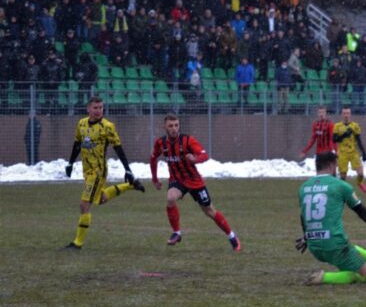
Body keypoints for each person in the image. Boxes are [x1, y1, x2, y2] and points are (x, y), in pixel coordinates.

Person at [296, 151, 366, 285]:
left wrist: (306, 237)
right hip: (335, 245)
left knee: (346, 249)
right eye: (336, 166)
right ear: (331, 165)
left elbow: (303, 217)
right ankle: (324, 277)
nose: (337, 169)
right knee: (363, 275)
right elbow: (363, 213)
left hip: (314, 247)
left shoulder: (303, 188)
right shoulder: (341, 186)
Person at [150, 114, 241, 250]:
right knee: (170, 198)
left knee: (209, 211)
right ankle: (176, 233)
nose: (174, 128)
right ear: (165, 127)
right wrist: (155, 179)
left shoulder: (188, 140)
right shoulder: (160, 143)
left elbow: (204, 155)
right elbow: (153, 158)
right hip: (177, 180)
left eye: (176, 125)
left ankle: (232, 236)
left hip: (194, 181)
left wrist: (194, 159)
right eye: (171, 126)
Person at [64, 97, 146, 249]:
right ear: (88, 109)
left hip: (98, 172)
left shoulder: (107, 126)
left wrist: (127, 169)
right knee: (100, 198)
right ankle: (130, 186)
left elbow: (118, 148)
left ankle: (77, 243)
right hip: (87, 170)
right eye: (95, 108)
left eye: (101, 108)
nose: (98, 111)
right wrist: (70, 163)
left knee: (84, 204)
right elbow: (77, 143)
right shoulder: (81, 124)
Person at [333, 106, 366, 192]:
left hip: (353, 152)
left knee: (361, 174)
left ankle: (359, 182)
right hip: (342, 153)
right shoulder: (337, 126)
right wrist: (344, 135)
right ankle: (342, 192)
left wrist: (364, 152)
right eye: (344, 113)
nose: (346, 115)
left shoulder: (355, 126)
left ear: (350, 114)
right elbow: (334, 139)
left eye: (347, 113)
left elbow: (359, 140)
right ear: (342, 114)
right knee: (343, 177)